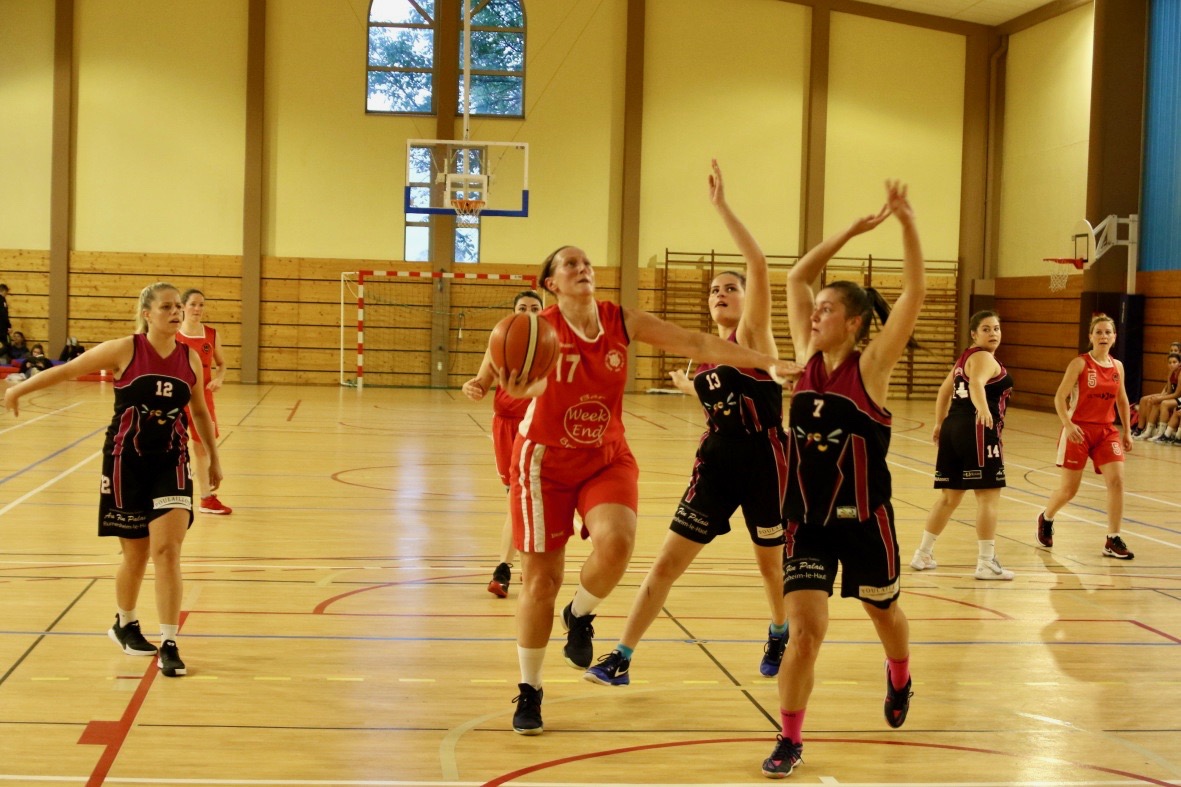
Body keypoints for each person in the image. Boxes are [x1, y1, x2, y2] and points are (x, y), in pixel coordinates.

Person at [496, 243, 799, 736]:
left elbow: (697, 342)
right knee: (541, 582)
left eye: (586, 262)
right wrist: (516, 389)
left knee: (618, 543)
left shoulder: (621, 321)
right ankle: (530, 688)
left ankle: (580, 613)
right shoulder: (537, 330)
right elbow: (517, 382)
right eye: (570, 264)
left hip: (606, 455)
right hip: (545, 461)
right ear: (550, 282)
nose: (582, 267)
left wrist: (768, 361)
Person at [584, 161, 789, 688]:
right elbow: (720, 396)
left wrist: (721, 206)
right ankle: (621, 656)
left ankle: (779, 630)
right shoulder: (703, 356)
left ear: (746, 298)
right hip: (717, 461)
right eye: (714, 289)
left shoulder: (753, 335)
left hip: (766, 461)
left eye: (730, 288)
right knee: (666, 563)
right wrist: (687, 386)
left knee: (770, 566)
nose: (721, 293)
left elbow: (759, 263)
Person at [762, 181, 924, 778]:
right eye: (817, 309)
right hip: (807, 520)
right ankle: (790, 738)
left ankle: (900, 675)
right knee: (805, 633)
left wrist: (906, 223)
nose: (815, 314)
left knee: (885, 613)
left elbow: (915, 291)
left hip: (865, 519)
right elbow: (794, 278)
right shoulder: (805, 357)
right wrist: (852, 231)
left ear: (854, 323)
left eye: (827, 309)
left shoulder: (872, 366)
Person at [4, 282, 223, 677]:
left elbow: (201, 412)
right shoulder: (125, 349)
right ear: (147, 313)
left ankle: (169, 642)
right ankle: (125, 622)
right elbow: (67, 370)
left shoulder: (189, 358)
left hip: (171, 463)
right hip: (126, 463)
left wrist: (213, 459)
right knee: (136, 555)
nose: (176, 313)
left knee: (167, 551)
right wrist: (19, 391)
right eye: (167, 307)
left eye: (178, 307)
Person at [910, 311, 1015, 581]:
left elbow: (944, 391)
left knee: (949, 497)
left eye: (996, 328)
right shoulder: (984, 358)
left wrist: (939, 423)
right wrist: (983, 409)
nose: (993, 333)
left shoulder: (963, 359)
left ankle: (923, 553)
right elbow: (977, 384)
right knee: (988, 497)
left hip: (952, 429)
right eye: (986, 329)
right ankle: (986, 562)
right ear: (973, 334)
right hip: (977, 430)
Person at [461, 290, 545, 597]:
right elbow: (481, 383)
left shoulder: (552, 345)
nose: (528, 312)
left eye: (534, 308)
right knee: (518, 498)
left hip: (538, 426)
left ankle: (506, 568)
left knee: (526, 498)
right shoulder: (500, 341)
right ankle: (516, 564)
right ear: (513, 312)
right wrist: (472, 387)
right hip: (506, 427)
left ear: (543, 313)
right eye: (522, 307)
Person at [1035, 314, 1135, 560]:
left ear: (1114, 337)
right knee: (1069, 490)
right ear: (1090, 336)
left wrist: (1127, 431)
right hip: (1078, 430)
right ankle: (1046, 517)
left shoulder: (1117, 366)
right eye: (1098, 332)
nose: (1103, 336)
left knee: (1117, 481)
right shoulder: (1079, 364)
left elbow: (1122, 400)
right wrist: (1068, 425)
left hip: (1106, 431)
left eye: (1108, 332)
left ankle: (1113, 538)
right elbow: (1059, 398)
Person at [176, 288, 232, 515]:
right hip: (177, 398)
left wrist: (219, 378)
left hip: (203, 398)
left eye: (201, 305)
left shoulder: (211, 334)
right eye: (193, 304)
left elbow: (222, 364)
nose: (197, 309)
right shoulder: (173, 334)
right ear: (183, 306)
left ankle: (206, 498)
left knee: (202, 449)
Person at [1133, 351, 1179, 442]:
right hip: (1174, 397)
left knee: (1164, 403)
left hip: (1178, 398)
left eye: (1174, 362)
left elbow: (1177, 394)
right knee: (1155, 402)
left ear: (1179, 363)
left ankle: (1162, 433)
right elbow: (1169, 391)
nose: (1172, 365)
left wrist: (1161, 397)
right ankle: (1148, 431)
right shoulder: (1171, 373)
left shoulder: (1180, 374)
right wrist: (1159, 397)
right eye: (1170, 363)